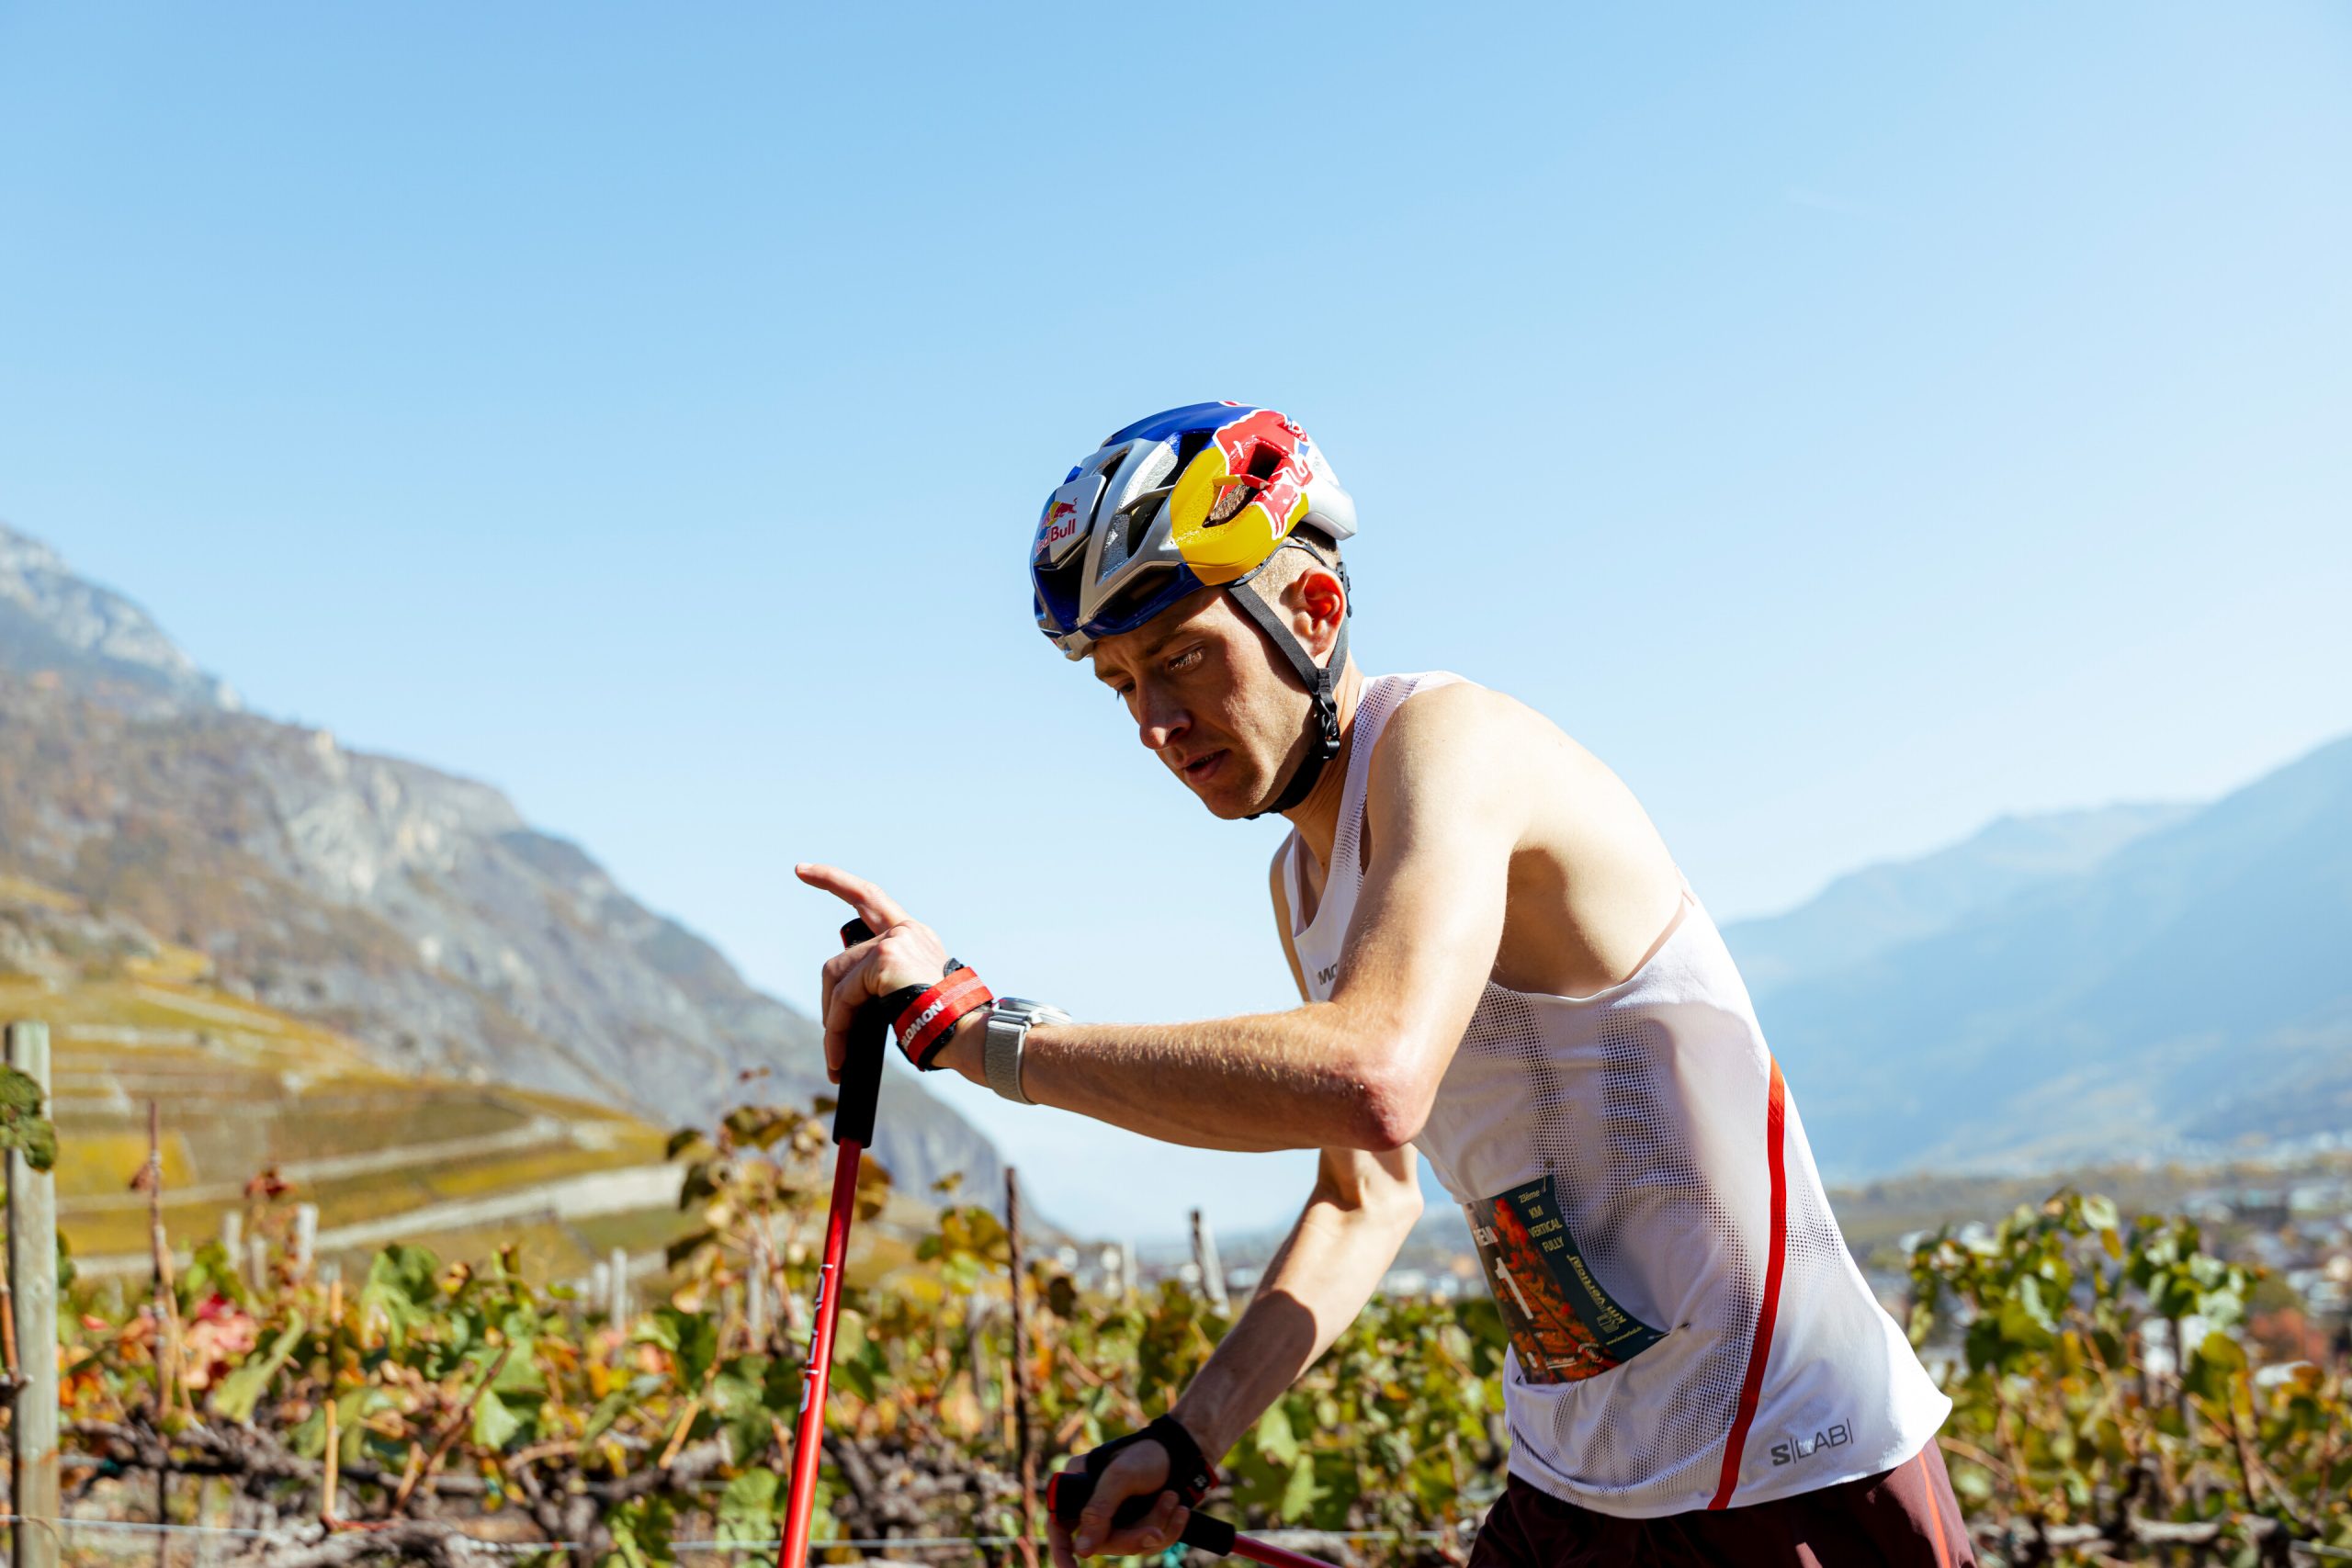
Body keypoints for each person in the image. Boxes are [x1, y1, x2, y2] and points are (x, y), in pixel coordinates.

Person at [798, 402, 1972, 1567]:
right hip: (1575, 1486)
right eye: (1118, 686)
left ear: (1311, 610)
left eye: (1181, 659)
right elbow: (1368, 1197)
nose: (1153, 724)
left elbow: (1373, 1074)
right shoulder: (1300, 883)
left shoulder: (1450, 744)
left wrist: (987, 1037)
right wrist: (1190, 1437)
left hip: (1785, 1468)